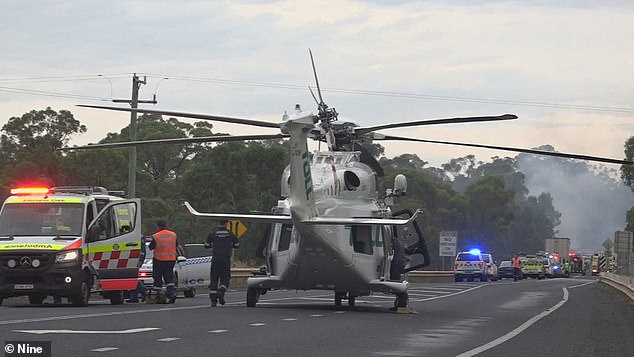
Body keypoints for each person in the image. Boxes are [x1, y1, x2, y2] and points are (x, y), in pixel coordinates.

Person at [205, 220, 240, 307]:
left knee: (214, 279)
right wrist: (229, 245)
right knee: (225, 278)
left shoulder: (213, 234)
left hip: (215, 258)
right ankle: (221, 291)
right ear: (226, 224)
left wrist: (213, 245)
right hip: (225, 259)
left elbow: (206, 245)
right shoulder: (230, 234)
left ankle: (213, 301)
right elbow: (237, 245)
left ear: (218, 223)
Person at [149, 219, 179, 304]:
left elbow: (151, 247)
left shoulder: (156, 236)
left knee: (157, 278)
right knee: (169, 278)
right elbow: (176, 244)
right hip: (171, 259)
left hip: (159, 260)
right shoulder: (173, 235)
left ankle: (159, 295)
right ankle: (171, 293)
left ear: (157, 226)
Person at [126, 235, 148, 303]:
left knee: (131, 276)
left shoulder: (138, 236)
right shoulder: (138, 235)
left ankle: (145, 291)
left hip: (135, 258)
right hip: (134, 258)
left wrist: (140, 260)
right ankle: (134, 296)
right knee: (132, 276)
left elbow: (142, 250)